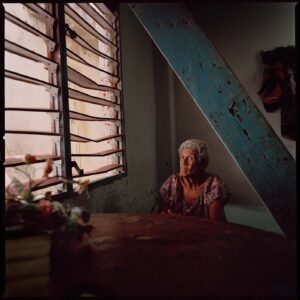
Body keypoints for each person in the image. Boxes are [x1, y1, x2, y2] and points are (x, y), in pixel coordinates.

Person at [159, 139, 229, 221]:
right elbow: (163, 216)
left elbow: (215, 225)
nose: (184, 163)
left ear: (202, 164)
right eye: (182, 157)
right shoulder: (172, 183)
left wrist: (180, 220)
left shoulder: (213, 185)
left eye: (190, 158)